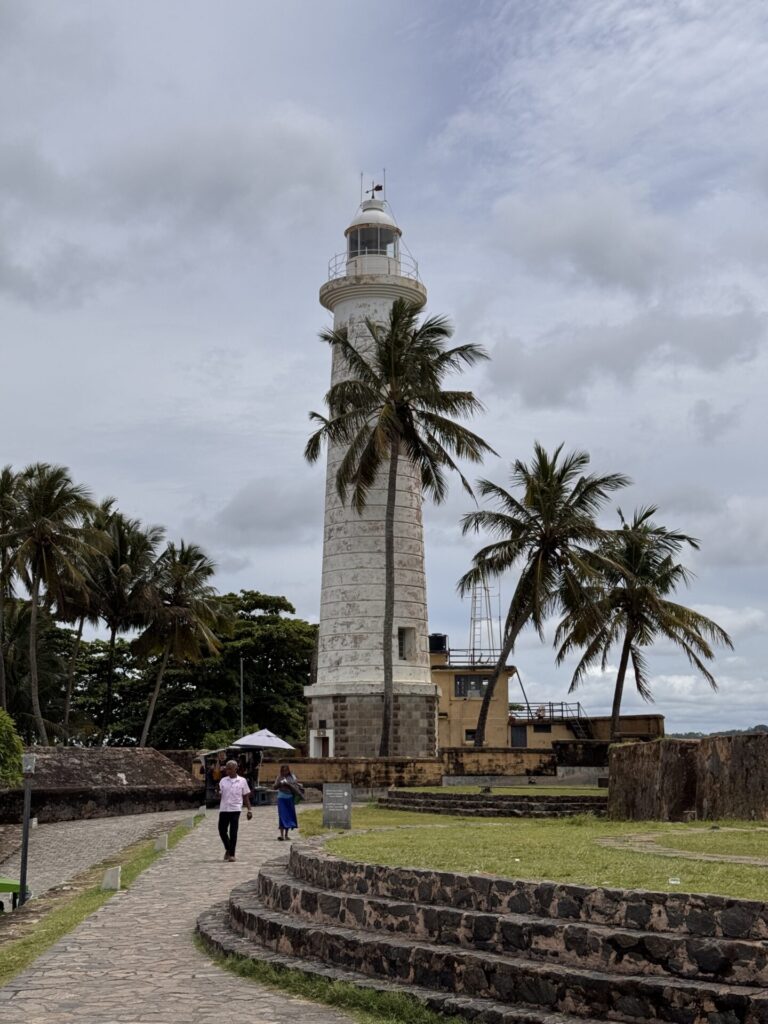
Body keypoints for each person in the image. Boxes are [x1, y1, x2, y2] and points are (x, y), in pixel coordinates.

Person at [217, 759, 252, 862]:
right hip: (224, 808)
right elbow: (219, 794)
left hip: (235, 808)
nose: (228, 771)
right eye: (227, 769)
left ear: (236, 769)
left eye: (231, 769)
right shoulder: (223, 780)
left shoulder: (242, 781)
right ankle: (228, 848)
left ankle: (232, 854)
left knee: (233, 831)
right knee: (222, 830)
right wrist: (217, 793)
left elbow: (245, 796)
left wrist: (249, 810)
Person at [273, 763, 303, 841]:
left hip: (290, 798)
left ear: (288, 770)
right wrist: (280, 783)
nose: (285, 772)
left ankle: (286, 834)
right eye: (283, 770)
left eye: (286, 770)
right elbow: (274, 787)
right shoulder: (279, 777)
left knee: (289, 816)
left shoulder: (292, 777)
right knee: (282, 816)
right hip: (281, 798)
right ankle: (281, 835)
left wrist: (289, 785)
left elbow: (296, 785)